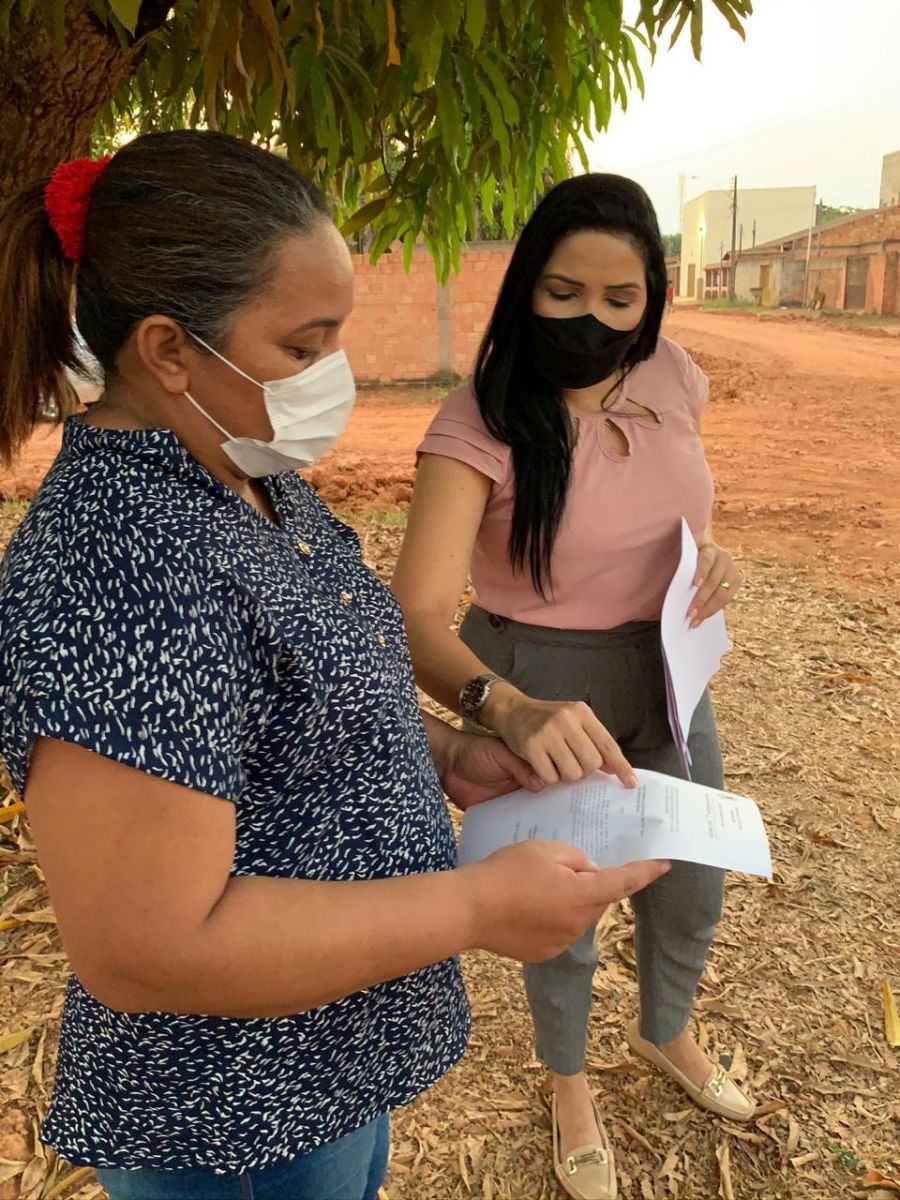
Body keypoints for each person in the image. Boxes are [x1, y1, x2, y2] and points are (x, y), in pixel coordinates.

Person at [0, 136, 670, 1200]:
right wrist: (474, 908)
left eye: (336, 339)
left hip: (325, 1056)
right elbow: (147, 947)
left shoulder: (239, 468)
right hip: (236, 1111)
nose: (330, 376)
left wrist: (444, 750)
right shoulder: (120, 567)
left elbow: (286, 698)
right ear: (169, 350)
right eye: (304, 345)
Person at [392, 174, 753, 1200]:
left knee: (691, 875)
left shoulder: (673, 375)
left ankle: (666, 1031)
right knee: (566, 906)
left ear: (652, 300)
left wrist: (711, 556)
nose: (591, 320)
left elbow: (670, 506)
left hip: (670, 672)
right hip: (541, 681)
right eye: (563, 292)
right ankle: (568, 1083)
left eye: (619, 299)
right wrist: (504, 706)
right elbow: (413, 613)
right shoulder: (480, 421)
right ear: (525, 287)